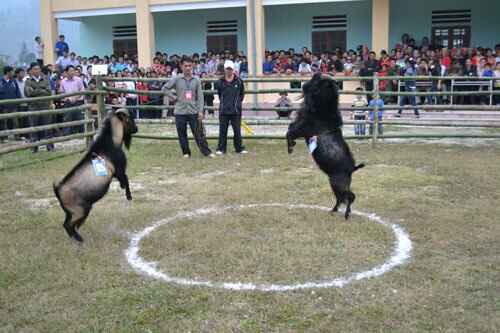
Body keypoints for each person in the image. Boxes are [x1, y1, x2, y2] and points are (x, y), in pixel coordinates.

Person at [164, 57, 214, 158]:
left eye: (189, 66)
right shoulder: (177, 78)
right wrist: (173, 97)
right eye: (185, 66)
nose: (187, 68)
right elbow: (165, 88)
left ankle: (206, 152)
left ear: (193, 66)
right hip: (180, 111)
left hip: (193, 111)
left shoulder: (196, 80)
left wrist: (200, 111)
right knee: (182, 134)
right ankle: (186, 153)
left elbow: (200, 97)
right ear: (181, 66)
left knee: (198, 133)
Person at [214, 60, 247, 155]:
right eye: (227, 69)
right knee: (222, 130)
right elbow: (219, 94)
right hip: (224, 110)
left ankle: (239, 148)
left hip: (235, 110)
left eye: (230, 69)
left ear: (233, 69)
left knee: (237, 131)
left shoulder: (239, 81)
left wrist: (237, 104)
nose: (229, 71)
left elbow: (242, 95)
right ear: (224, 69)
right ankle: (221, 149)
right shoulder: (220, 82)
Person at [24, 63, 54, 152]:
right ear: (31, 71)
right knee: (34, 128)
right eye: (35, 69)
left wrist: (36, 90)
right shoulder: (28, 81)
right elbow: (29, 93)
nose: (37, 71)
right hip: (34, 107)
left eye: (38, 69)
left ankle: (50, 146)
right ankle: (34, 148)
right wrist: (42, 89)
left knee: (48, 127)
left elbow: (48, 92)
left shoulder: (46, 79)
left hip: (45, 106)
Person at [59, 65, 85, 135]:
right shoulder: (63, 81)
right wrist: (67, 98)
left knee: (80, 117)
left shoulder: (78, 79)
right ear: (66, 72)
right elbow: (61, 92)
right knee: (67, 118)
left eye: (73, 70)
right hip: (67, 102)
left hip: (78, 101)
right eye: (71, 71)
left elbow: (82, 90)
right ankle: (67, 134)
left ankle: (82, 133)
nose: (72, 72)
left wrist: (75, 98)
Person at [0, 66, 22, 143]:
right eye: (12, 71)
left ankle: (17, 136)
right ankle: (3, 137)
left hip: (13, 106)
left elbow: (17, 92)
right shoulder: (0, 81)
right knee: (3, 122)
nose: (13, 73)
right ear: (8, 72)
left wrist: (19, 100)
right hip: (3, 106)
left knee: (16, 121)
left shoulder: (13, 81)